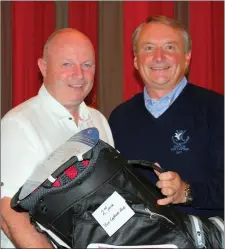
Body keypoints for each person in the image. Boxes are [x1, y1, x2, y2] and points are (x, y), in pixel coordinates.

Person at [1, 28, 114, 248]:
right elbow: (10, 215)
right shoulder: (18, 125)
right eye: (67, 64)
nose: (79, 74)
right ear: (43, 67)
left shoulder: (99, 121)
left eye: (87, 65)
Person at [109, 16, 224, 218]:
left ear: (187, 57)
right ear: (136, 60)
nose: (159, 57)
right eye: (148, 48)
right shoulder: (119, 118)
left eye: (170, 47)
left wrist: (187, 192)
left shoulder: (217, 109)